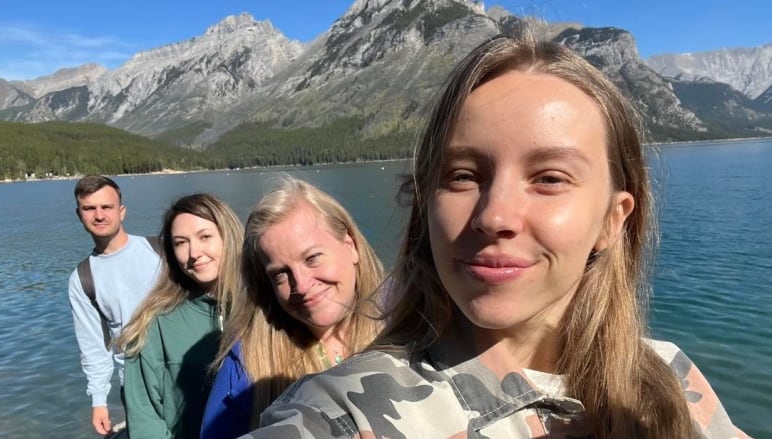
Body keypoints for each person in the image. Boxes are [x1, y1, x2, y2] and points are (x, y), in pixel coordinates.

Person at [239, 35, 750, 438]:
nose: (495, 215)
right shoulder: (345, 410)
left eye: (550, 178)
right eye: (462, 175)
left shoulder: (670, 376)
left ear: (613, 220)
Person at [199, 177, 384, 438]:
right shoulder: (246, 367)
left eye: (312, 258)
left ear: (350, 246)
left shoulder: (410, 328)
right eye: (280, 274)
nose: (302, 285)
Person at [117, 193, 243, 439]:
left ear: (229, 236)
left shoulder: (263, 309)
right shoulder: (153, 324)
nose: (194, 252)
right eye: (180, 242)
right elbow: (145, 421)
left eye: (205, 237)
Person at [68, 175, 161, 436]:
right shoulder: (83, 279)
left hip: (184, 370)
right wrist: (99, 400)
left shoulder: (159, 250)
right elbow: (94, 346)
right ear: (79, 214)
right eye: (89, 208)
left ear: (122, 211)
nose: (99, 215)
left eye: (106, 207)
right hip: (134, 385)